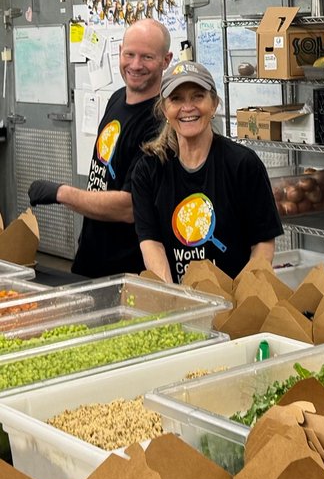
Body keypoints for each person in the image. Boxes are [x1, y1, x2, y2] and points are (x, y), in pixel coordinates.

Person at [28, 18, 172, 277]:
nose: (136, 65)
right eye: (129, 54)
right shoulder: (117, 97)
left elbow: (130, 207)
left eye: (147, 57)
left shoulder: (160, 123)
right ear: (119, 52)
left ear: (166, 60)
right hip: (92, 255)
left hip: (126, 268)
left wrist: (61, 193)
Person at [129, 60, 282, 283]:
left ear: (214, 104)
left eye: (197, 96)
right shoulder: (149, 169)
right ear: (164, 109)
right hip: (179, 302)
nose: (187, 107)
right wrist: (172, 297)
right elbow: (151, 242)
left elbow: (263, 242)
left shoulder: (242, 164)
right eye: (176, 99)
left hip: (234, 304)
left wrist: (240, 299)